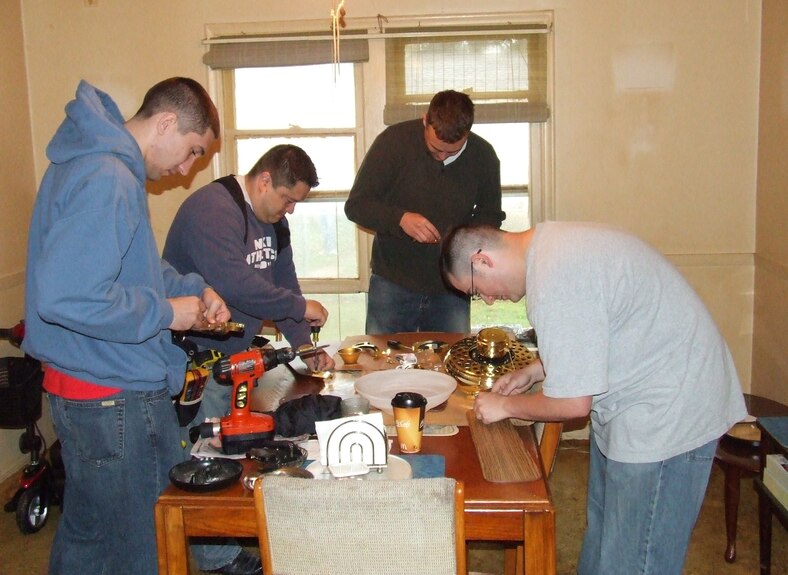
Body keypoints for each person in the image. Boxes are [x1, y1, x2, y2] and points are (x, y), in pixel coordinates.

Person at [23, 78, 258, 575]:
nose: (187, 169)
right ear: (166, 123)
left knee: (90, 538)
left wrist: (196, 290)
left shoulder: (96, 164)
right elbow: (69, 296)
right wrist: (168, 313)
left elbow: (136, 267)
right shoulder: (108, 175)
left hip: (88, 389)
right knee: (141, 547)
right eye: (192, 151)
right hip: (115, 397)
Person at [439, 222, 747, 575]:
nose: (489, 301)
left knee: (637, 560)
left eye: (477, 292)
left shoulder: (555, 276)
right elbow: (595, 328)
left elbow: (572, 405)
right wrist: (537, 369)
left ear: (482, 260)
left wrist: (505, 405)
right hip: (641, 400)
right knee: (606, 539)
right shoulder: (551, 248)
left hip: (670, 413)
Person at [163, 144, 334, 415]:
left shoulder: (275, 221)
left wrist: (303, 345)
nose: (290, 210)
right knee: (203, 445)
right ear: (265, 181)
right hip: (197, 361)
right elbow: (235, 285)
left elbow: (283, 285)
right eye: (287, 199)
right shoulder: (213, 209)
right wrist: (300, 307)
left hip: (238, 359)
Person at [345, 89, 504, 334]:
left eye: (452, 152)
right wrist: (401, 219)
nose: (441, 157)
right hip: (392, 281)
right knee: (385, 365)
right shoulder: (393, 142)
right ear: (424, 119)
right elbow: (356, 205)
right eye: (434, 149)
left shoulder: (484, 156)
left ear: (468, 133)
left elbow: (490, 216)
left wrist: (466, 242)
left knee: (449, 366)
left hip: (452, 286)